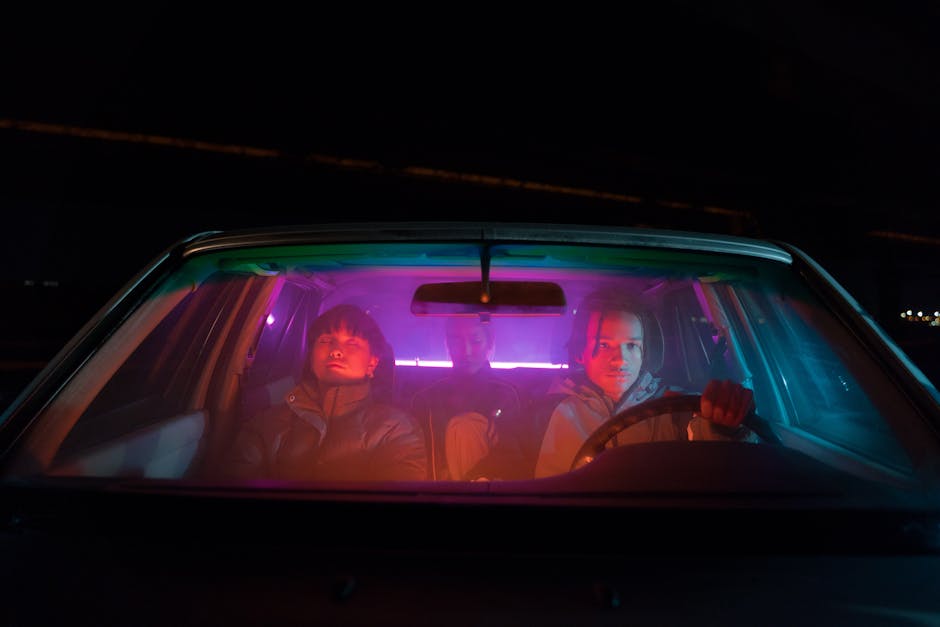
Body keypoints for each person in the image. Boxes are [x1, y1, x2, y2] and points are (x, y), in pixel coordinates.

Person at [470, 290, 756, 480]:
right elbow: (500, 470)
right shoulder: (543, 414)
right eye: (604, 344)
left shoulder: (680, 409)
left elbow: (724, 468)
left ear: (645, 352)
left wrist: (724, 426)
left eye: (632, 345)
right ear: (580, 352)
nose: (620, 360)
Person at [225, 304, 427, 481]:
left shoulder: (396, 429)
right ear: (311, 356)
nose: (336, 351)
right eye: (325, 340)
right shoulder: (266, 425)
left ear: (372, 363)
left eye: (352, 343)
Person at [410, 317, 522, 480]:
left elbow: (513, 456)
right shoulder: (426, 399)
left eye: (475, 341)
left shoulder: (505, 395)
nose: (466, 351)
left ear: (489, 342)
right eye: (456, 341)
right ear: (448, 344)